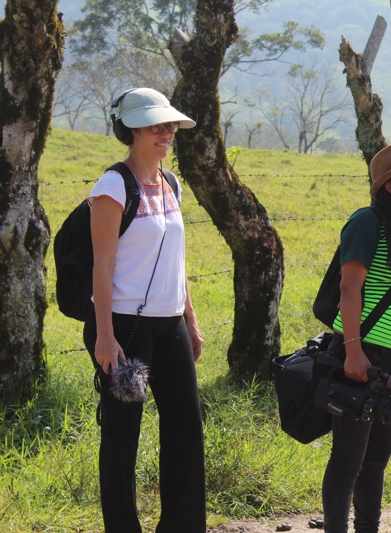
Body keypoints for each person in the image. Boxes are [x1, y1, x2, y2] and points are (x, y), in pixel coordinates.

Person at [82, 87, 206, 533]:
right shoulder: (113, 186)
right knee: (122, 435)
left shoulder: (171, 183)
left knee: (186, 427)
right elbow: (102, 265)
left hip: (170, 326)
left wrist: (190, 319)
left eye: (170, 126)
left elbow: (177, 260)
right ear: (132, 130)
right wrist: (104, 335)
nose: (167, 133)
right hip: (125, 331)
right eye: (157, 126)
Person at [321, 140, 391, 533]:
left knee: (375, 463)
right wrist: (353, 352)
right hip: (363, 356)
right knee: (348, 461)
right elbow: (349, 287)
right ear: (390, 186)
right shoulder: (367, 223)